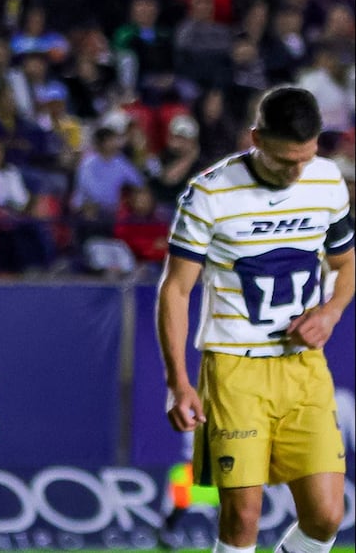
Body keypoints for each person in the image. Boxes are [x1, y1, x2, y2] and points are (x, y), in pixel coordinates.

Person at [158, 87, 354, 553]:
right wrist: (179, 382)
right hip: (234, 368)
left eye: (304, 158)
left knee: (326, 517)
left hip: (303, 367)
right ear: (256, 139)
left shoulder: (327, 181)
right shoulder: (210, 193)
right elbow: (176, 289)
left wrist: (329, 313)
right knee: (243, 517)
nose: (295, 172)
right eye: (285, 160)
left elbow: (346, 264)